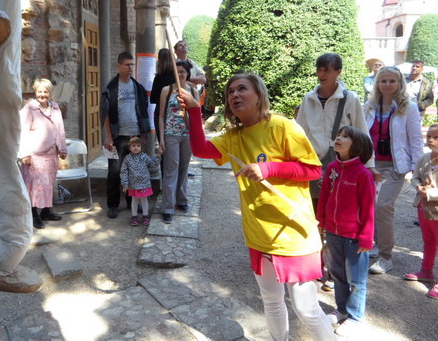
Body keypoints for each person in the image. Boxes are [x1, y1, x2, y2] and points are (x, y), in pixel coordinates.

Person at [179, 73, 335, 341]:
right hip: (258, 233)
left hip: (293, 233)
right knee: (271, 301)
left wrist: (268, 168)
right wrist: (194, 111)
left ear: (259, 95)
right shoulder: (233, 136)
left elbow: (313, 170)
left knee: (306, 309)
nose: (234, 95)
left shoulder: (283, 126)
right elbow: (201, 150)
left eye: (242, 89)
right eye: (230, 92)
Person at [316, 126, 375, 337]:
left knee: (356, 280)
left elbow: (368, 208)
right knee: (337, 275)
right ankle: (341, 310)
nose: (338, 138)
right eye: (339, 135)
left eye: (345, 136)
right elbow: (324, 196)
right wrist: (321, 221)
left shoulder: (363, 174)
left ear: (357, 146)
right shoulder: (332, 168)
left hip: (354, 238)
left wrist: (366, 238)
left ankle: (355, 317)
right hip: (333, 232)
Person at [297, 53, 374, 213]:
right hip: (314, 162)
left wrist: (370, 165)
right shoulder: (308, 99)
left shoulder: (350, 98)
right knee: (315, 209)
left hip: (343, 162)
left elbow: (362, 131)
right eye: (319, 70)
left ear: (338, 72)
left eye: (327, 70)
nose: (321, 74)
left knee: (340, 207)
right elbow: (300, 132)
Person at [365, 66, 424, 274]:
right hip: (371, 165)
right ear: (378, 83)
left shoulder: (409, 107)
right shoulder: (370, 106)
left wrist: (418, 169)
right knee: (370, 207)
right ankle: (376, 244)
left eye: (392, 81)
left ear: (400, 83)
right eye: (383, 81)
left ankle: (386, 256)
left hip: (394, 166)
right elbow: (362, 134)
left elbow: (416, 140)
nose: (387, 85)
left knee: (383, 206)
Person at [100, 52, 151, 219]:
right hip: (117, 137)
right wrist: (108, 137)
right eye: (127, 65)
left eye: (131, 64)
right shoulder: (110, 88)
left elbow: (143, 111)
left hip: (134, 136)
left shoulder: (138, 87)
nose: (130, 67)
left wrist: (142, 135)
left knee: (134, 171)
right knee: (114, 172)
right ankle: (113, 205)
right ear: (119, 66)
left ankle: (131, 201)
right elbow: (106, 115)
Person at [18, 78, 67, 230]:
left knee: (48, 184)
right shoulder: (29, 110)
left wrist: (62, 149)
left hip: (51, 154)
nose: (42, 95)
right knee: (34, 186)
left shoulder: (55, 108)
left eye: (45, 91)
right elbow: (22, 133)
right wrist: (24, 154)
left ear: (50, 93)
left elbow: (60, 129)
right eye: (39, 91)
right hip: (35, 156)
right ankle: (33, 214)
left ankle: (46, 211)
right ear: (35, 92)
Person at [158, 61, 199, 224]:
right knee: (171, 170)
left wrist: (196, 137)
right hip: (171, 135)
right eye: (178, 71)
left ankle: (181, 200)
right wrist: (161, 139)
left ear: (187, 73)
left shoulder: (193, 92)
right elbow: (161, 116)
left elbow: (196, 116)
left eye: (183, 71)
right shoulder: (166, 90)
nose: (181, 74)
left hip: (187, 136)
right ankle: (167, 207)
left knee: (184, 168)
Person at [404, 123, 438, 299]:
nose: (431, 140)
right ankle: (426, 270)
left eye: (436, 137)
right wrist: (418, 186)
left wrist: (430, 193)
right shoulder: (424, 158)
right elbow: (415, 176)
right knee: (429, 240)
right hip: (424, 207)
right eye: (429, 136)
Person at [120, 137, 161, 226]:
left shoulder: (144, 157)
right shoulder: (127, 158)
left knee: (144, 199)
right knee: (134, 200)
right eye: (133, 145)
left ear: (141, 147)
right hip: (133, 184)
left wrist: (158, 156)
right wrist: (125, 184)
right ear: (129, 147)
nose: (136, 147)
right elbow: (123, 171)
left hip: (144, 183)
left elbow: (152, 164)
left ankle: (145, 216)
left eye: (138, 146)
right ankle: (134, 216)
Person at [150, 48, 176, 139]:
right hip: (174, 112)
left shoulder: (158, 78)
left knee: (162, 140)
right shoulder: (176, 77)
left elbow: (153, 98)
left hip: (161, 111)